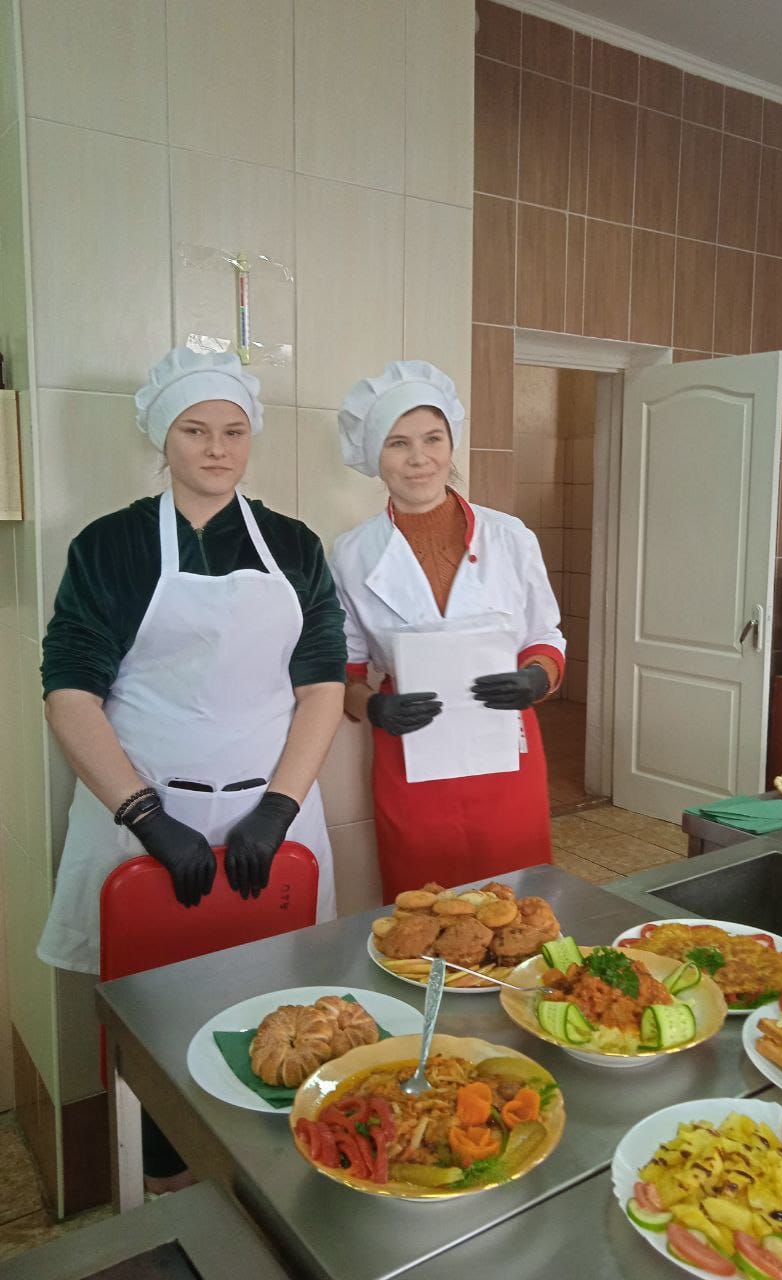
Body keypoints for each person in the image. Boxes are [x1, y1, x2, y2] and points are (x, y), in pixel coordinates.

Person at [37, 347, 346, 1189]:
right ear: (162, 438)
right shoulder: (111, 545)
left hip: (273, 817)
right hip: (144, 819)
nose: (216, 448)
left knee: (274, 1003)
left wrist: (278, 809)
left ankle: (267, 1170)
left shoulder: (293, 545)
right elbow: (70, 692)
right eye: (195, 430)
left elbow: (322, 683)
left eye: (233, 432)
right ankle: (160, 1176)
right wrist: (145, 816)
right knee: (153, 1010)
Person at [330, 360, 565, 902]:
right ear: (375, 456)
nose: (419, 459)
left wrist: (535, 678)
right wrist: (374, 707)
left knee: (518, 905)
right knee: (421, 911)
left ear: (451, 445)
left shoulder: (510, 537)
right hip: (411, 759)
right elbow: (346, 670)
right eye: (398, 443)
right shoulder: (351, 553)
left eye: (433, 439)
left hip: (505, 757)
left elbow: (545, 638)